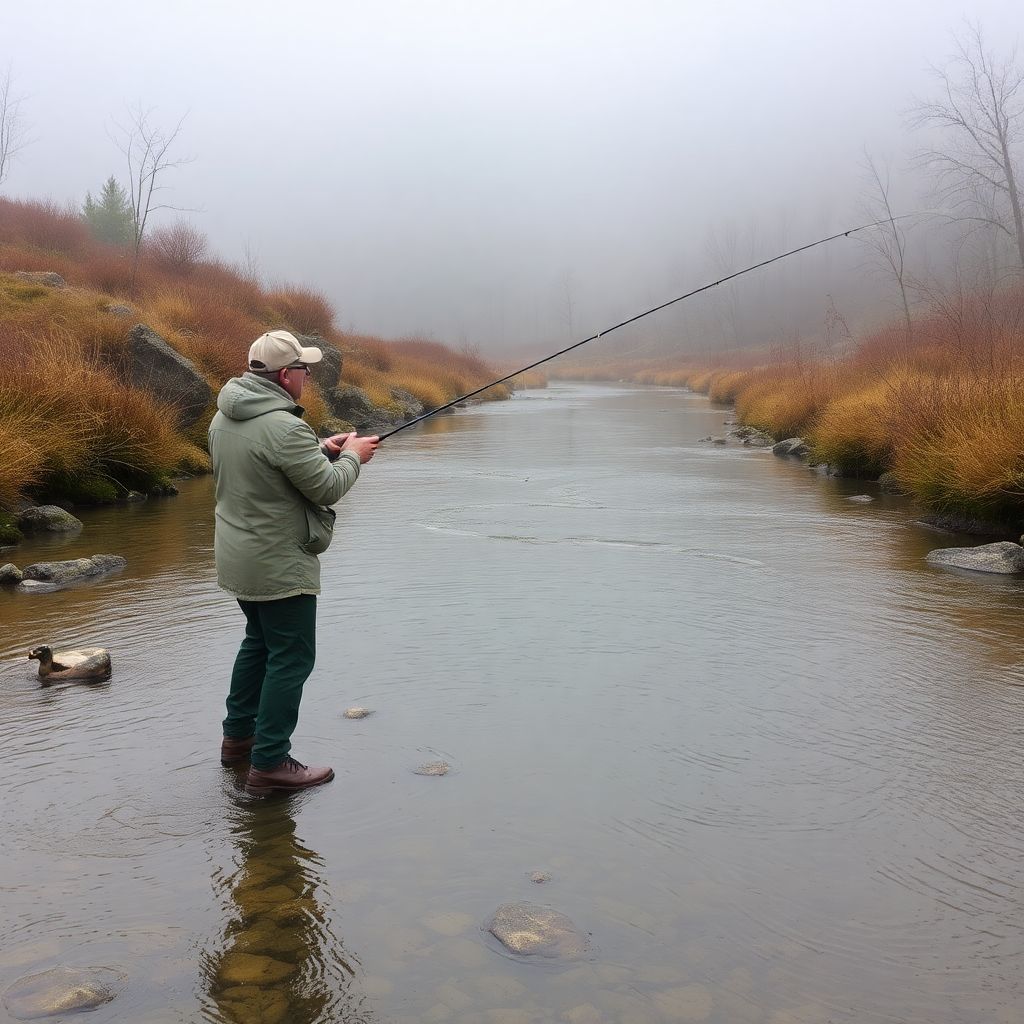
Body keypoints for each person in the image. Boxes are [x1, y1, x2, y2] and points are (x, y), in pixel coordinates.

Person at [208, 329, 378, 795]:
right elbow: (326, 488)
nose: (308, 376)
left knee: (259, 643)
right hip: (278, 564)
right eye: (304, 369)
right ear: (286, 376)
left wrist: (320, 451)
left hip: (239, 558)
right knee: (292, 657)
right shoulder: (285, 427)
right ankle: (270, 764)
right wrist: (353, 458)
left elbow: (264, 469)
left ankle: (238, 741)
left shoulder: (223, 417)